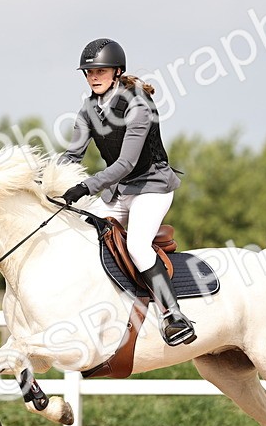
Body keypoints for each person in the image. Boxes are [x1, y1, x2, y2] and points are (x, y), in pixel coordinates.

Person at [59, 38, 196, 346]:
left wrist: (84, 187)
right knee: (82, 234)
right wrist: (46, 180)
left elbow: (126, 163)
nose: (93, 77)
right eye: (89, 72)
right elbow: (72, 155)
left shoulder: (138, 105)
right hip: (119, 191)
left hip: (152, 187)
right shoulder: (89, 108)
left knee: (137, 245)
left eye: (101, 71)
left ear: (117, 71)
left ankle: (173, 315)